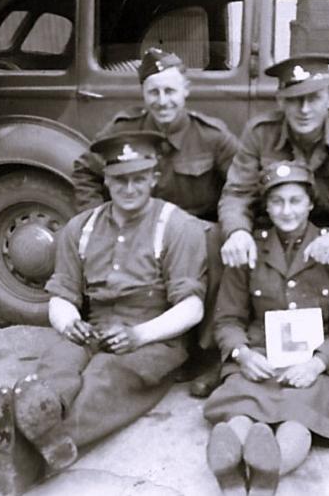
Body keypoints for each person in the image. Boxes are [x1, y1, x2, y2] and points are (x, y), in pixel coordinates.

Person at [0, 129, 207, 494]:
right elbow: (62, 294)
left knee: (107, 376)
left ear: (153, 177)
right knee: (59, 362)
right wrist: (69, 322)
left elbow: (192, 306)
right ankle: (40, 409)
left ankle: (23, 454)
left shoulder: (176, 226)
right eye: (119, 180)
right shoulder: (80, 228)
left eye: (137, 179)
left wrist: (139, 334)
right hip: (94, 323)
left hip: (152, 335)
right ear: (106, 180)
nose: (128, 189)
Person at [218, 54, 329, 408]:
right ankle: (227, 355)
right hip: (279, 222)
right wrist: (237, 231)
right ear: (280, 100)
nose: (303, 109)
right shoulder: (260, 134)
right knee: (221, 239)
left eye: (313, 98)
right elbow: (237, 193)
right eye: (294, 99)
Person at [73, 47, 240, 398]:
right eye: (154, 92)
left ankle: (206, 355)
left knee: (215, 244)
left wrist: (231, 228)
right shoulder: (124, 130)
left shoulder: (211, 135)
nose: (163, 101)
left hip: (194, 230)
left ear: (186, 91)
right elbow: (86, 171)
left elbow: (241, 183)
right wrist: (93, 222)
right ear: (143, 94)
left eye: (170, 91)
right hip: (139, 228)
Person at [204, 161, 329, 495]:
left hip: (312, 362)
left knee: (298, 414)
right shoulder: (249, 247)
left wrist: (317, 363)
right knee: (241, 407)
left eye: (295, 201)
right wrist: (242, 353)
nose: (286, 210)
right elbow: (227, 319)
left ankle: (269, 470)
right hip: (259, 354)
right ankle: (229, 468)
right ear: (266, 206)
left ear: (311, 203)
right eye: (277, 202)